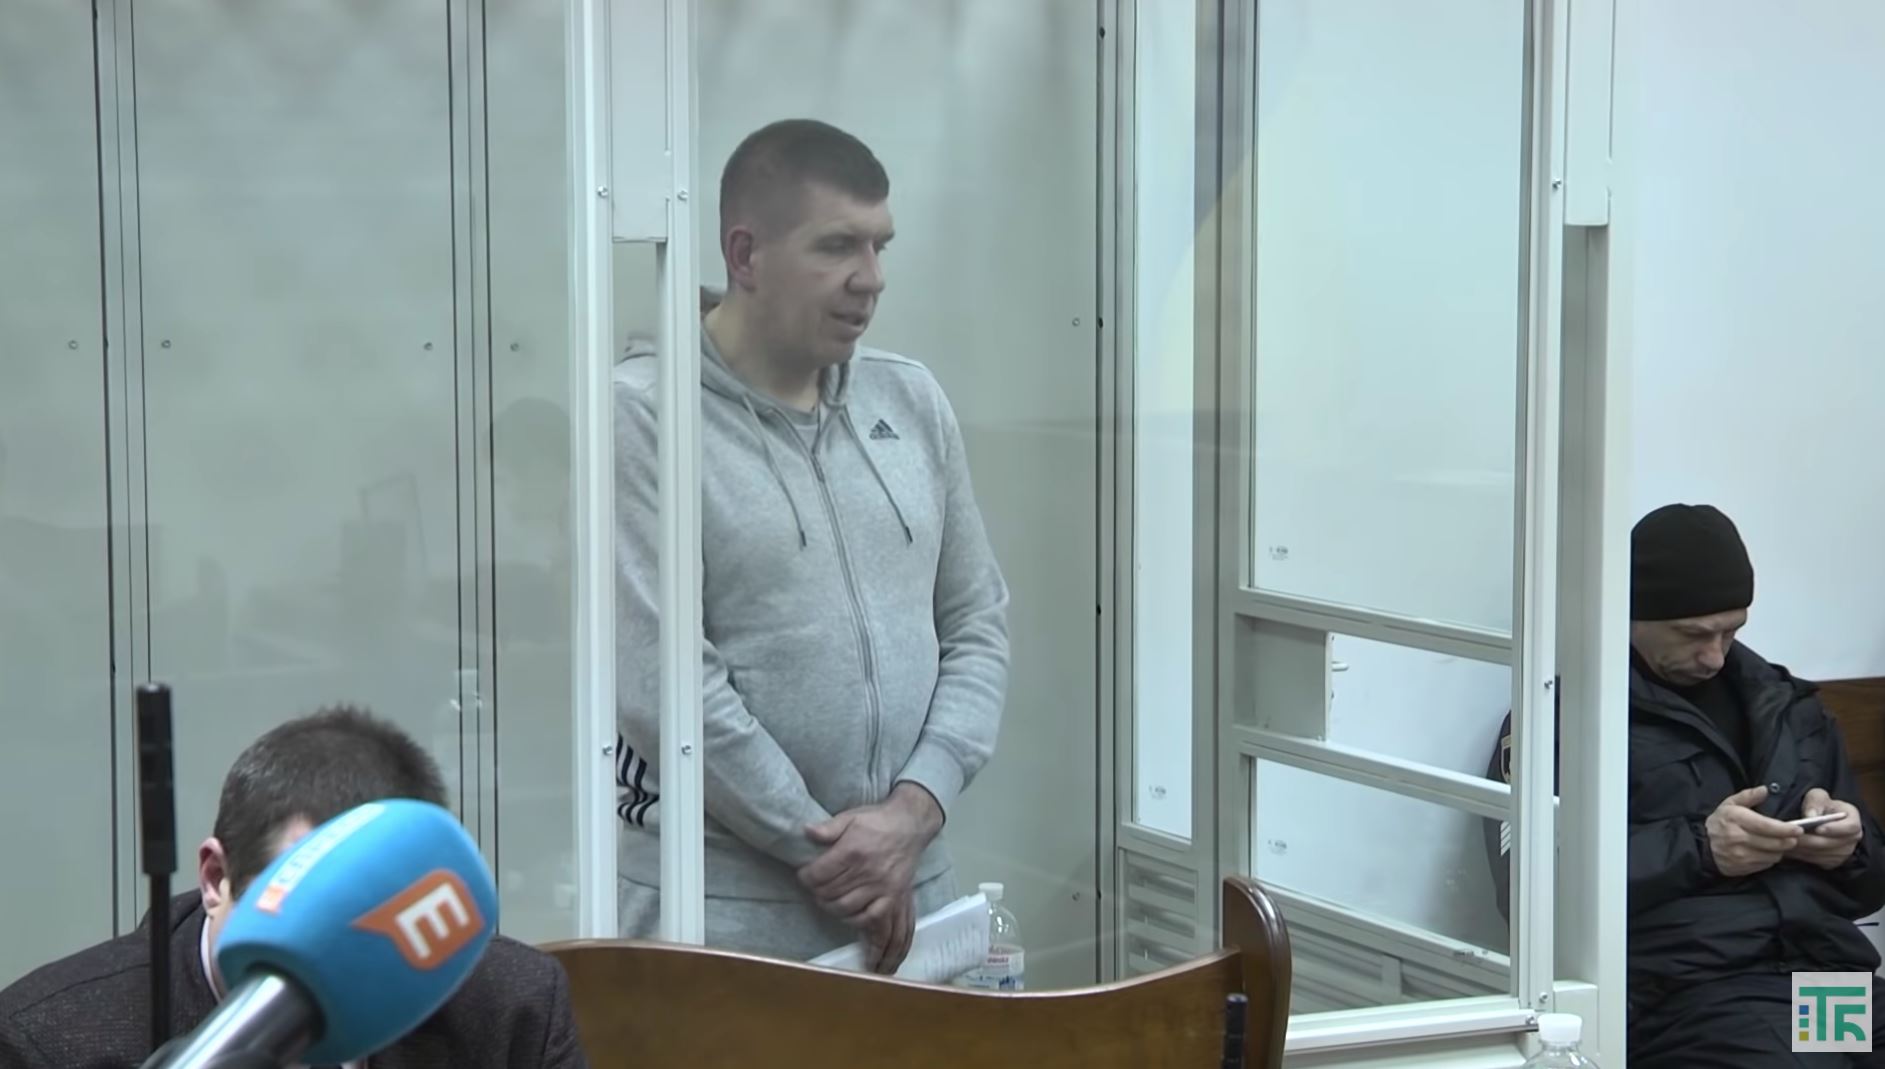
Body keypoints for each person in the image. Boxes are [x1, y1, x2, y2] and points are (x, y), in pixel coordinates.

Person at [612, 118, 1010, 971]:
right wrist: (838, 854)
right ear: (745, 255)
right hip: (720, 909)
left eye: (879, 246)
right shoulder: (645, 415)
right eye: (837, 247)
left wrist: (914, 812)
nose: (870, 278)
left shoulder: (910, 401)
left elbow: (977, 623)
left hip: (911, 894)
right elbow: (662, 682)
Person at [0, 707, 588, 1069]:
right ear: (215, 878)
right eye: (306, 905)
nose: (335, 943)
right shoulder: (49, 1041)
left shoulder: (513, 1008)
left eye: (365, 907)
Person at [1624, 504, 1885, 1068]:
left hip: (1817, 976)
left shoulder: (1789, 706)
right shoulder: (1572, 720)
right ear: (1630, 614)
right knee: (1799, 1058)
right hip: (1686, 990)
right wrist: (1700, 849)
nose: (1713, 656)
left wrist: (1848, 849)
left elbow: (1871, 889)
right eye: (1692, 634)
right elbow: (1530, 889)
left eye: (1731, 631)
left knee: (1843, 1051)